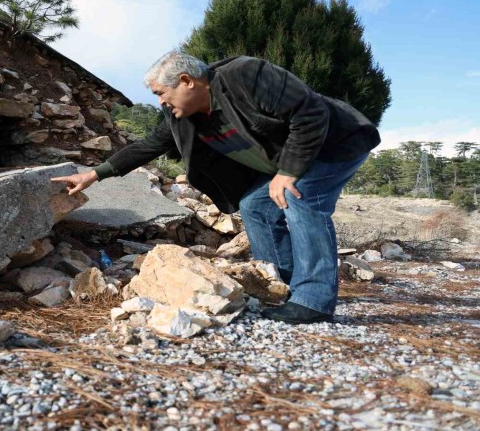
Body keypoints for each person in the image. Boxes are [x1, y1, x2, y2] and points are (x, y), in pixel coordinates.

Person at [52, 51, 380, 324]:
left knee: (300, 198)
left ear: (186, 81)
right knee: (255, 205)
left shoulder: (247, 75)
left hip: (335, 144)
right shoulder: (183, 117)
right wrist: (94, 174)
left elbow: (310, 113)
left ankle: (313, 301)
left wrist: (289, 172)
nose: (161, 102)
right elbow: (149, 145)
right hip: (289, 159)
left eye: (160, 93)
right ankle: (277, 285)